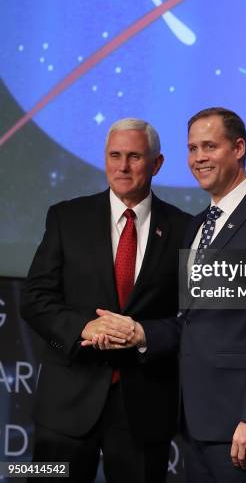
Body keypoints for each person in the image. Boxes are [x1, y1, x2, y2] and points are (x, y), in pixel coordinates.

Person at [90, 108, 246, 482]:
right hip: (197, 426)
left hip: (244, 430)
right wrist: (140, 332)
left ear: (239, 148)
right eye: (192, 148)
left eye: (210, 146)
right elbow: (193, 322)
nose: (199, 158)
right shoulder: (197, 226)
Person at [20, 118, 190, 483]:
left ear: (157, 164)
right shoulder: (67, 217)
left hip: (145, 410)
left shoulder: (185, 230)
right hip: (65, 406)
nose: (123, 167)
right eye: (115, 155)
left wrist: (143, 334)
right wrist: (83, 326)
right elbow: (34, 298)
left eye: (134, 157)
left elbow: (196, 321)